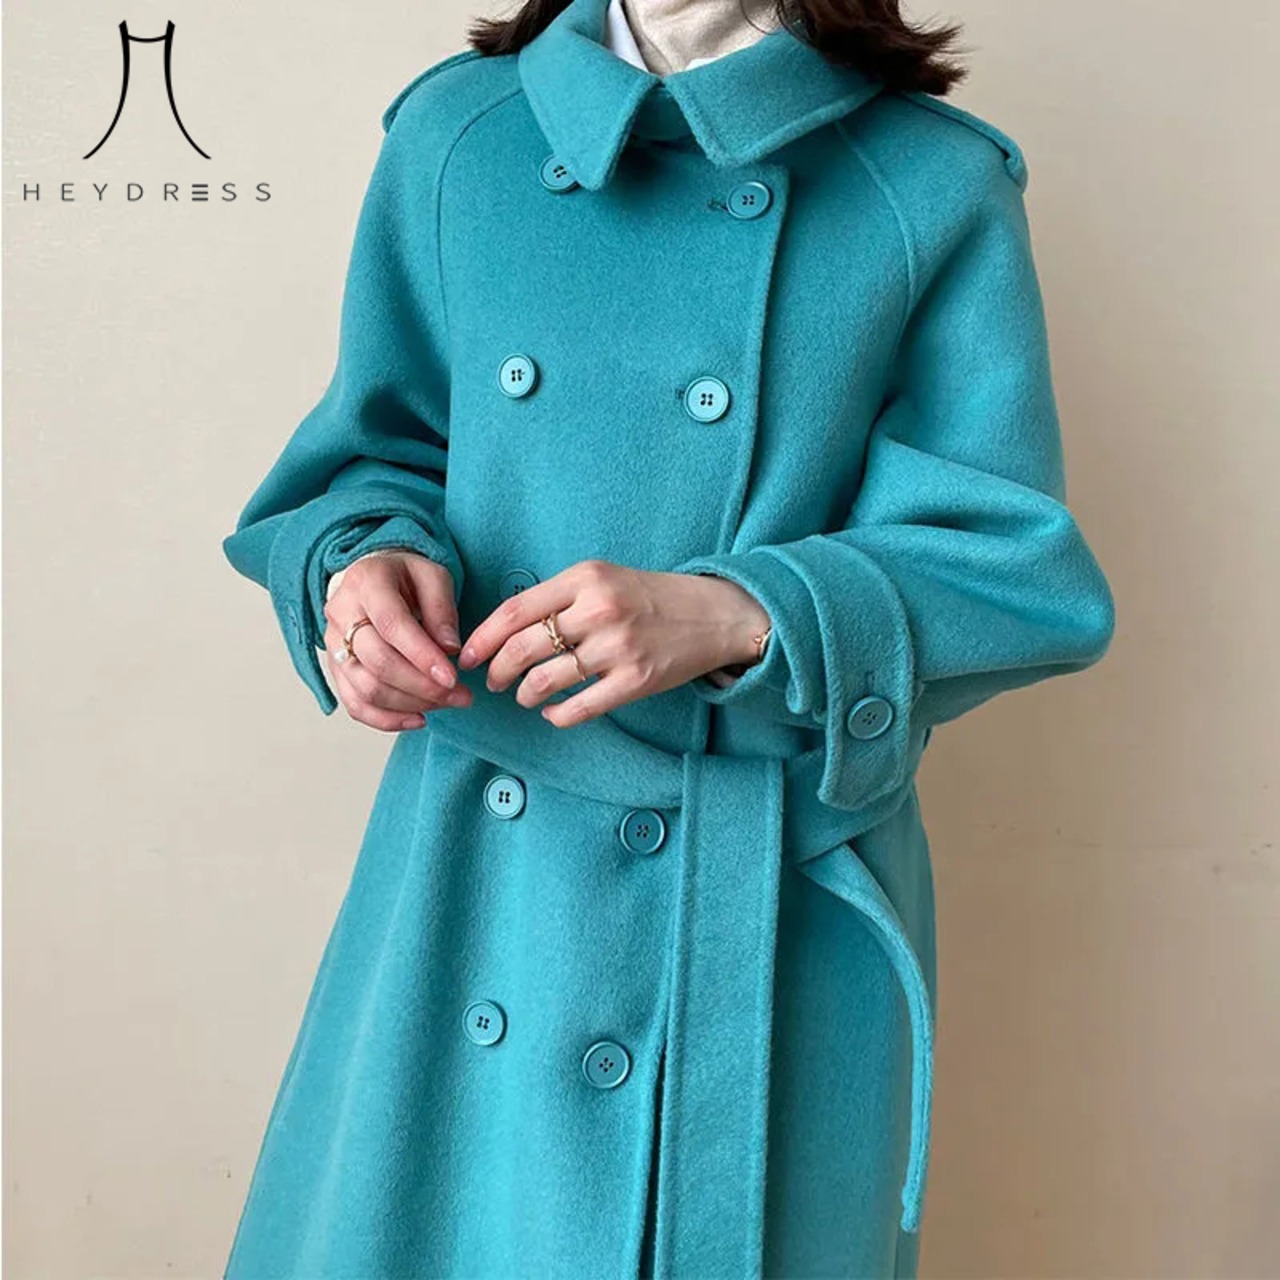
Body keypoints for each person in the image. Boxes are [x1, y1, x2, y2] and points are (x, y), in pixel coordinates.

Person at [219, 0, 1117, 1276]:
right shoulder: (457, 139)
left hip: (753, 903)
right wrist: (362, 566)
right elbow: (380, 448)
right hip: (481, 872)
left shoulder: (925, 180)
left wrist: (740, 610)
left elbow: (1015, 569)